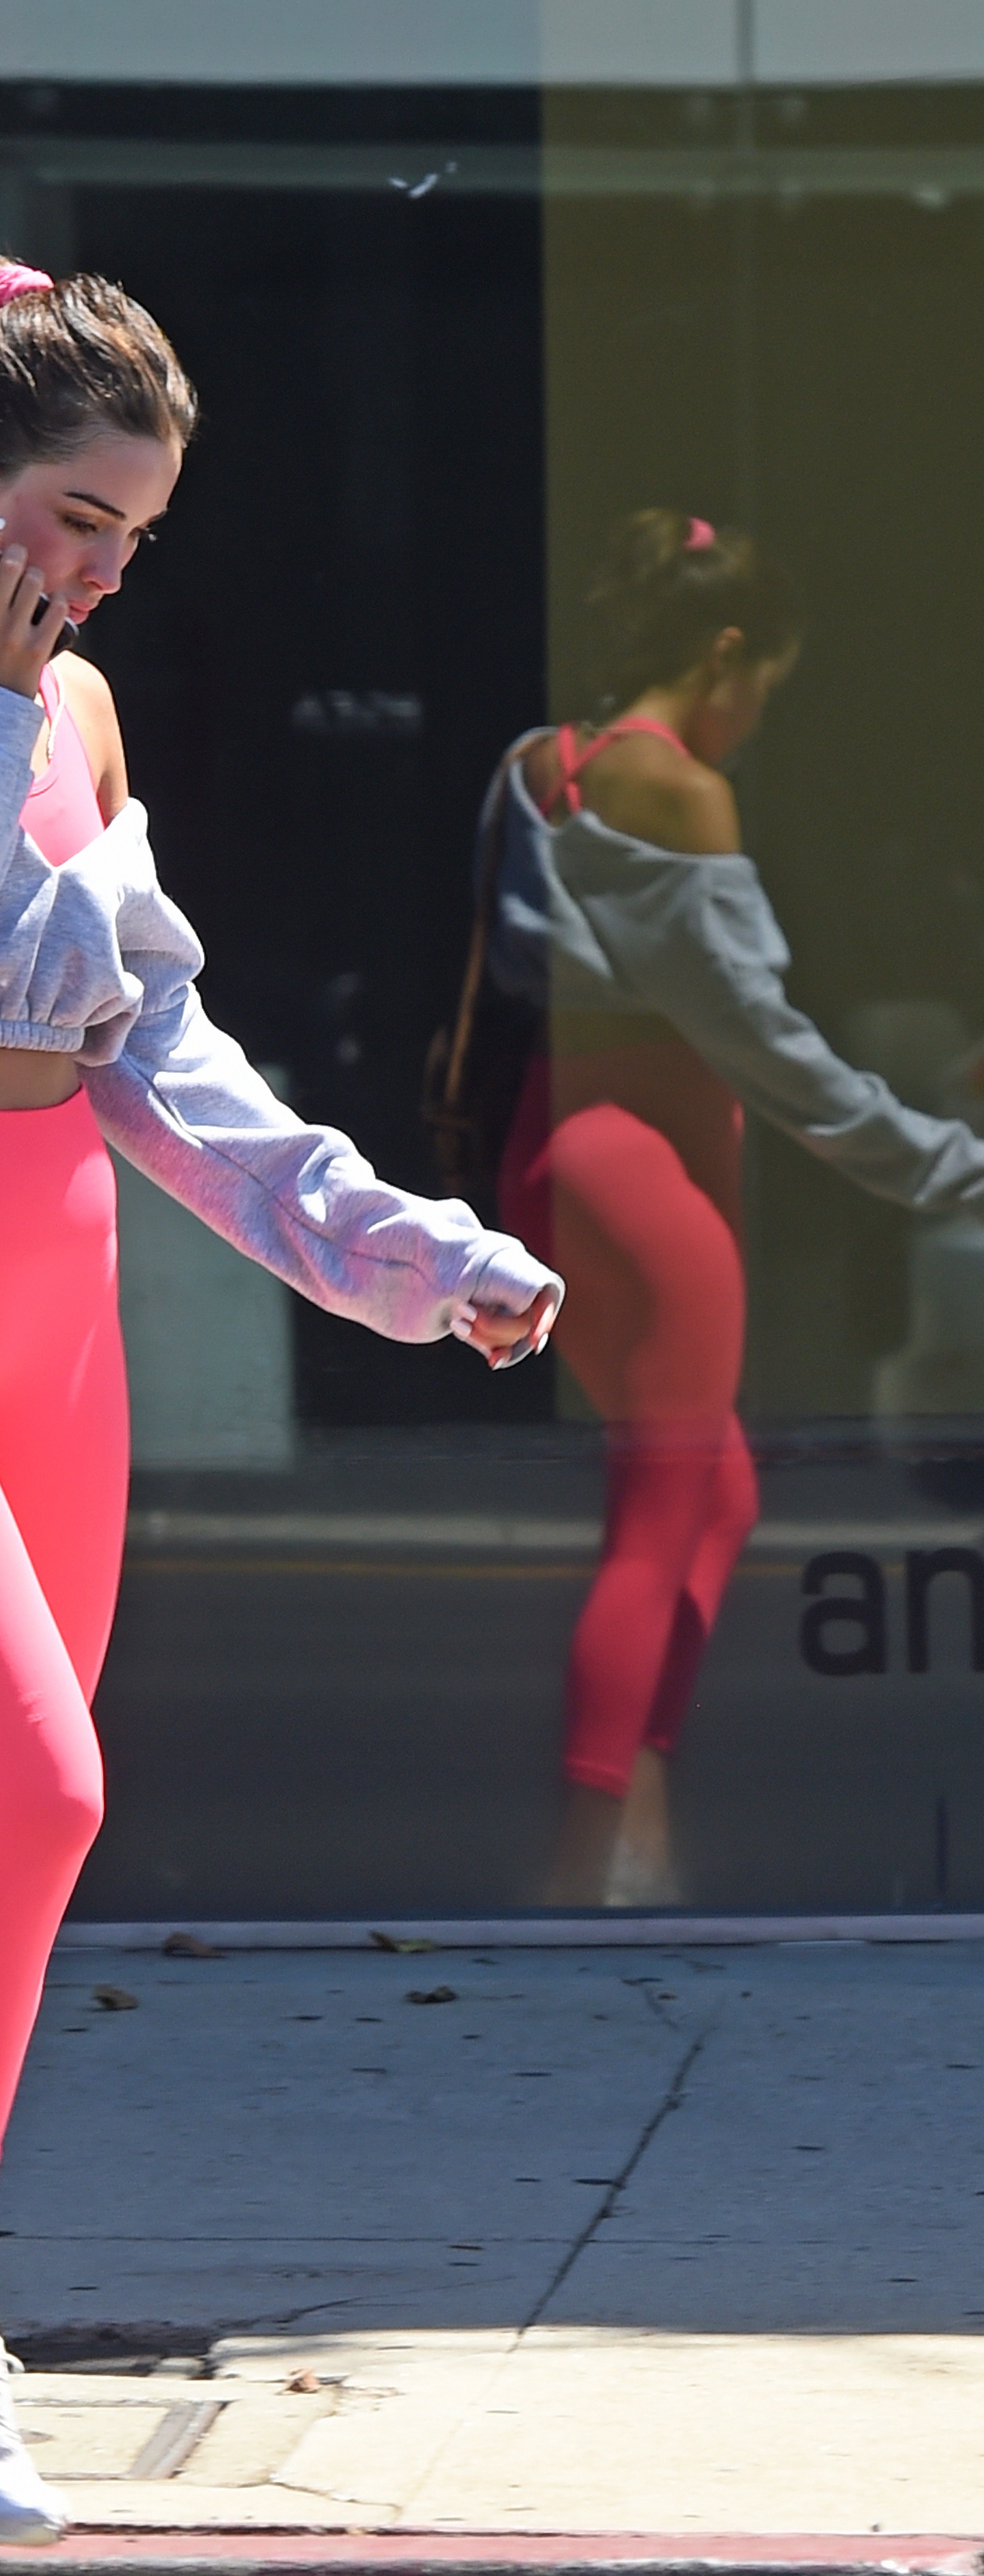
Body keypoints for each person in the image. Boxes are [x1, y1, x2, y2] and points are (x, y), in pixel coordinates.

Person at [0, 254, 562, 2546]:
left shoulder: (78, 722)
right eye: (70, 517)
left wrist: (405, 1248)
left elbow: (159, 1065)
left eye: (132, 543)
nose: (89, 577)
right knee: (44, 1787)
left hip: (52, 1303)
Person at [488, 509, 984, 1907]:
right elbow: (769, 1050)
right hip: (660, 1173)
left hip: (554, 1152)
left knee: (715, 1492)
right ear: (724, 654)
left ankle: (634, 1811)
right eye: (766, 680)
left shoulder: (542, 769)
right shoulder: (683, 791)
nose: (760, 716)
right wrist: (950, 1164)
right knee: (661, 1508)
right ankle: (596, 1864)